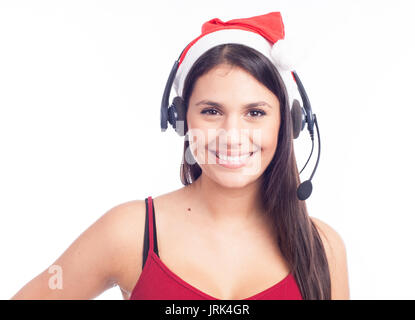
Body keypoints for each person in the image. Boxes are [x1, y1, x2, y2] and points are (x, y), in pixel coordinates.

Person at [10, 12, 349, 300]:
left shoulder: (324, 248)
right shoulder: (128, 231)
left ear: (288, 123)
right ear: (180, 118)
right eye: (212, 111)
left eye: (255, 113)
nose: (232, 135)